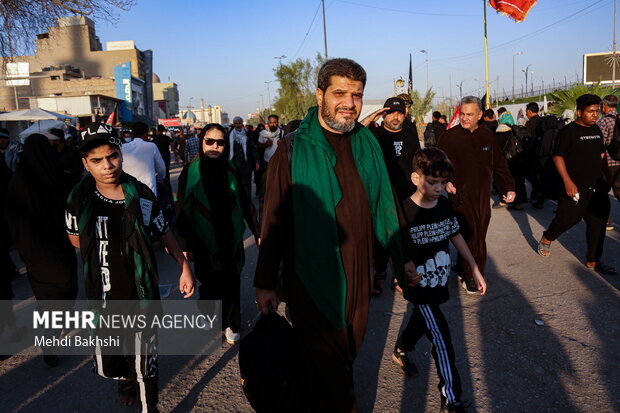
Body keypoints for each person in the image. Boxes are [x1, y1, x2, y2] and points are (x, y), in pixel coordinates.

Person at [254, 58, 415, 412]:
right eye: (340, 93)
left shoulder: (368, 144)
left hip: (357, 273)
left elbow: (385, 207)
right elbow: (273, 220)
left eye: (356, 95)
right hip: (311, 277)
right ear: (320, 94)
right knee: (328, 368)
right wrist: (265, 281)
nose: (349, 103)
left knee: (346, 352)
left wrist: (405, 263)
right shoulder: (292, 148)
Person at [65, 123, 195, 411]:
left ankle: (149, 406)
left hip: (141, 292)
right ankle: (125, 378)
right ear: (85, 163)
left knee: (145, 363)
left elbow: (163, 231)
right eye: (97, 160)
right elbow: (75, 240)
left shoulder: (142, 194)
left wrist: (184, 265)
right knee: (110, 362)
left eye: (112, 156)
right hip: (103, 295)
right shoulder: (78, 199)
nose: (107, 166)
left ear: (121, 155)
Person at [393, 148, 487, 413]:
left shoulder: (444, 205)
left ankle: (402, 347)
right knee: (442, 338)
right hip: (419, 286)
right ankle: (451, 397)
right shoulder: (404, 211)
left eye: (443, 183)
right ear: (415, 178)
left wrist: (474, 267)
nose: (438, 188)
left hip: (440, 280)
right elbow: (394, 246)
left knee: (423, 320)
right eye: (432, 182)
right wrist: (401, 272)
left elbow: (456, 236)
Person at [176, 123, 259, 344]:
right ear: (201, 141)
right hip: (201, 238)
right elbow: (182, 209)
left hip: (230, 236)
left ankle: (232, 323)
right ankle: (209, 308)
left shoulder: (232, 170)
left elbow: (245, 202)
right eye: (209, 141)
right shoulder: (190, 172)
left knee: (231, 281)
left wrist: (257, 231)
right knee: (209, 280)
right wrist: (183, 247)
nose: (215, 146)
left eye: (220, 142)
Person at [5, 133, 78, 366]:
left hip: (32, 251)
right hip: (56, 247)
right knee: (64, 289)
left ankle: (52, 331)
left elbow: (11, 218)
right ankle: (50, 340)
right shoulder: (54, 176)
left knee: (47, 295)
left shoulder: (17, 180)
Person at [437, 96, 515, 294]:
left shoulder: (487, 136)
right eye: (462, 114)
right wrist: (446, 182)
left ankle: (462, 266)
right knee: (471, 236)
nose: (464, 118)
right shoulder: (448, 137)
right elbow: (438, 165)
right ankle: (472, 275)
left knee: (479, 233)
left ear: (480, 115)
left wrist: (509, 187)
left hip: (482, 196)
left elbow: (499, 164)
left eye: (470, 115)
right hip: (459, 195)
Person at [538, 94, 616, 275]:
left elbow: (601, 155)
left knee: (598, 224)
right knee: (567, 219)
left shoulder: (596, 129)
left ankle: (594, 260)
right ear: (579, 112)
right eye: (590, 111)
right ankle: (548, 237)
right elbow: (558, 156)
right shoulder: (568, 132)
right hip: (575, 186)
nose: (595, 115)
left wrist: (606, 177)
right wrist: (567, 181)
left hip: (596, 186)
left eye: (597, 111)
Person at [370, 96, 421, 295]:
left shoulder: (410, 131)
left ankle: (400, 274)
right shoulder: (374, 134)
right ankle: (380, 273)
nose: (395, 117)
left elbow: (417, 157)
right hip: (383, 195)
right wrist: (372, 117)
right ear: (384, 114)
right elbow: (353, 136)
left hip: (408, 194)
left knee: (406, 236)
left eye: (399, 113)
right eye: (391, 113)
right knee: (383, 237)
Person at [121, 122, 166, 197]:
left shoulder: (122, 147)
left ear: (132, 134)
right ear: (146, 134)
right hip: (149, 189)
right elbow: (161, 168)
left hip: (128, 189)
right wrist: (160, 180)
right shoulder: (151, 146)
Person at [597, 94, 620, 230]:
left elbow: (600, 145)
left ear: (604, 106)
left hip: (608, 163)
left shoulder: (603, 122)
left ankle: (607, 221)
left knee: (602, 192)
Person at [257, 114, 284, 214]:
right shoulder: (263, 134)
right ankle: (264, 207)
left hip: (278, 163)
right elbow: (258, 147)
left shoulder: (282, 133)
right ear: (268, 123)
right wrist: (265, 144)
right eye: (271, 122)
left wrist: (282, 145)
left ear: (277, 122)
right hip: (266, 163)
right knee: (265, 185)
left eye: (275, 122)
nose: (273, 124)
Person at [228, 116, 258, 195]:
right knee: (236, 183)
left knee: (247, 183)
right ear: (234, 124)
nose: (238, 125)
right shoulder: (229, 135)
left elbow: (253, 149)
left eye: (240, 123)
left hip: (246, 164)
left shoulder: (248, 134)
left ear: (242, 124)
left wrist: (257, 161)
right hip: (234, 163)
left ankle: (248, 202)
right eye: (236, 123)